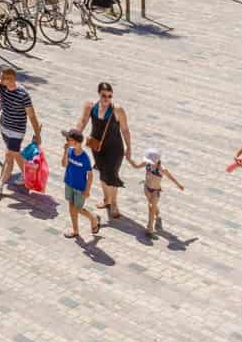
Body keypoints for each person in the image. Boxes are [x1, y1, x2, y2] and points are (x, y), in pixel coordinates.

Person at [75, 82, 133, 224]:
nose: (107, 98)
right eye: (103, 95)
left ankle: (114, 204)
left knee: (112, 175)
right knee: (102, 173)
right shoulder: (90, 106)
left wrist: (129, 147)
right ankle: (106, 200)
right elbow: (83, 121)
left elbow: (125, 129)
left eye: (109, 96)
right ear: (98, 94)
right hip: (98, 147)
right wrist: (76, 136)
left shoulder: (117, 110)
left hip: (115, 148)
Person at [0, 66, 42, 198]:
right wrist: (0, 82)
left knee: (9, 154)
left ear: (12, 79)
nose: (1, 79)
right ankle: (27, 173)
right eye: (0, 77)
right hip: (4, 126)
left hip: (17, 130)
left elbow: (31, 115)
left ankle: (0, 184)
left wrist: (37, 134)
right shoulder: (2, 87)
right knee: (13, 154)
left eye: (4, 77)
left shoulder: (23, 94)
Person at [129, 147, 184, 235]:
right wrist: (129, 159)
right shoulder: (147, 163)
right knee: (152, 206)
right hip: (146, 188)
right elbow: (136, 166)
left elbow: (171, 177)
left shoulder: (162, 169)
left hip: (155, 190)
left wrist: (179, 185)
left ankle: (149, 227)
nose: (149, 162)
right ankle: (156, 210)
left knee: (151, 207)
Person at [61, 130, 100, 241]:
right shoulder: (69, 151)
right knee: (71, 207)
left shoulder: (85, 158)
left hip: (80, 187)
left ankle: (93, 219)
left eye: (69, 139)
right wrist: (65, 151)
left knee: (77, 209)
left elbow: (90, 175)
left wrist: (87, 190)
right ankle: (75, 230)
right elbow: (64, 164)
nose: (67, 141)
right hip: (69, 183)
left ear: (76, 141)